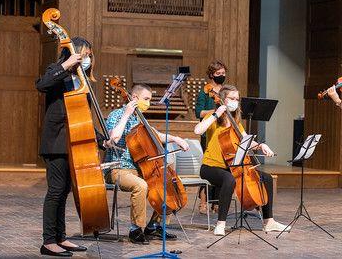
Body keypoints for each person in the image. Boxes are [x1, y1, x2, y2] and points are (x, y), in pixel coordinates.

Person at [36, 37, 105, 257]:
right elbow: (41, 84)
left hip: (74, 143)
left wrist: (102, 140)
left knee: (65, 191)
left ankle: (61, 237)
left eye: (89, 55)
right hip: (56, 142)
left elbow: (82, 119)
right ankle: (48, 242)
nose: (87, 59)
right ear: (72, 54)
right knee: (55, 191)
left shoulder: (82, 82)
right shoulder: (57, 71)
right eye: (84, 54)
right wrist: (66, 65)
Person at [194, 84, 290, 236]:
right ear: (223, 100)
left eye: (237, 99)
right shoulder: (213, 116)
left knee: (266, 178)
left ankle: (269, 221)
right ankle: (220, 224)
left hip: (231, 166)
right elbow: (197, 130)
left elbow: (245, 139)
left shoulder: (235, 122)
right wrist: (216, 114)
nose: (235, 101)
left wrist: (261, 145)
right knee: (229, 179)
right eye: (232, 98)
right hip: (210, 167)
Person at [104, 84, 189, 245]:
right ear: (134, 98)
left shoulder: (139, 119)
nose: (148, 103)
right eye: (146, 99)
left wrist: (176, 139)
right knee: (141, 186)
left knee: (166, 182)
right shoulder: (117, 114)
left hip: (138, 168)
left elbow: (156, 135)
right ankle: (135, 229)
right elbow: (113, 138)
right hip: (118, 168)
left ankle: (154, 225)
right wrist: (126, 115)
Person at [194, 60, 227, 214]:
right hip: (209, 134)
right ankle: (203, 202)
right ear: (211, 75)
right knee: (209, 168)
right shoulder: (205, 92)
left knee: (222, 169)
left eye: (223, 73)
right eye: (218, 74)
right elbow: (198, 113)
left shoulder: (225, 91)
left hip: (223, 134)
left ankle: (217, 203)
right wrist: (214, 111)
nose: (221, 76)